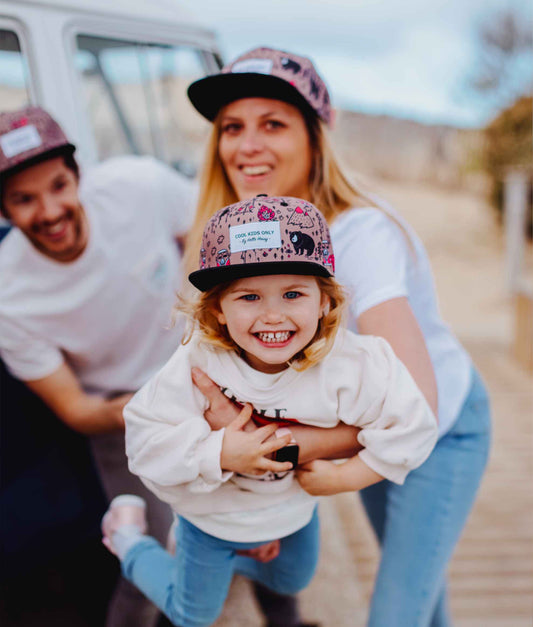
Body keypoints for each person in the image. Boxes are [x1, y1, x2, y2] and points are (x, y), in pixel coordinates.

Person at [183, 47, 492, 627]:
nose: (246, 145)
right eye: (231, 128)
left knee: (396, 614)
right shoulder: (239, 242)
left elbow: (415, 406)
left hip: (440, 427)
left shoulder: (360, 236)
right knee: (422, 603)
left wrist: (285, 449)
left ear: (314, 137)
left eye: (272, 123)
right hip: (364, 427)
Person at [101, 195, 437, 627]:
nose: (273, 315)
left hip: (289, 507)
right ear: (218, 308)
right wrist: (221, 452)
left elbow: (413, 424)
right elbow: (145, 442)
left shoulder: (353, 363)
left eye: (293, 293)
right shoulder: (198, 364)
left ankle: (241, 554)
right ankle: (129, 540)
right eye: (250, 297)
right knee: (192, 614)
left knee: (293, 578)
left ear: (324, 302)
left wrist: (343, 478)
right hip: (210, 516)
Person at [0, 106, 196, 627]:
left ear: (79, 175)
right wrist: (163, 404)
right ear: (4, 210)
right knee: (150, 557)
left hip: (202, 368)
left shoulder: (139, 185)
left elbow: (203, 231)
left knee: (253, 522)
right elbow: (78, 409)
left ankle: (285, 616)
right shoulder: (8, 294)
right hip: (122, 418)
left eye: (58, 186)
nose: (49, 210)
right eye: (23, 198)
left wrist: (209, 333)